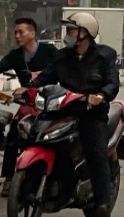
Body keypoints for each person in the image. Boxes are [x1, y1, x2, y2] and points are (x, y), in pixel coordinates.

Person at [16, 14, 117, 217]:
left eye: (72, 31)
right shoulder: (62, 56)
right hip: (63, 110)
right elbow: (45, 78)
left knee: (96, 154)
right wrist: (26, 89)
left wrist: (100, 95)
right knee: (31, 134)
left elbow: (112, 82)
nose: (68, 35)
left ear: (85, 34)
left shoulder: (104, 56)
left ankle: (103, 203)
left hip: (91, 114)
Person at [0, 18, 57, 195]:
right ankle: (9, 180)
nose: (17, 36)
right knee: (13, 137)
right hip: (27, 106)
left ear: (33, 33)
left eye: (21, 32)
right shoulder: (15, 56)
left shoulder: (50, 52)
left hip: (51, 105)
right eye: (15, 32)